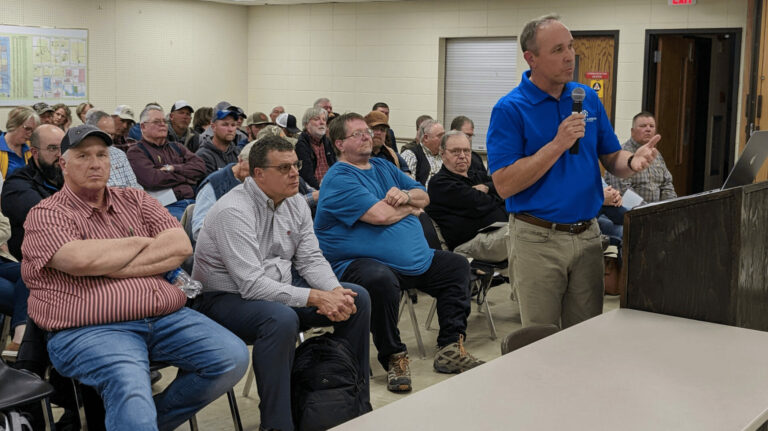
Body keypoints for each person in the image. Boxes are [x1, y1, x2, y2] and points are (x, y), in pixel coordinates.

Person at [21, 124, 248, 431]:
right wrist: (141, 243)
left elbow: (179, 246)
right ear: (64, 164)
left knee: (231, 358)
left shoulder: (135, 200)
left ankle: (141, 424)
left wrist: (106, 264)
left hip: (163, 318)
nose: (95, 163)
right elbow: (78, 259)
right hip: (92, 329)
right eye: (83, 155)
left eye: (102, 154)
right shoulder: (47, 213)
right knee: (131, 387)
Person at [486, 14, 659, 329]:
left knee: (585, 338)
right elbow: (505, 184)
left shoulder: (586, 97)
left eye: (571, 47)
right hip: (537, 240)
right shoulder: (510, 109)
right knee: (540, 340)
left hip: (587, 236)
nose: (569, 56)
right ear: (531, 58)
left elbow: (612, 156)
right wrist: (557, 144)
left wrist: (632, 162)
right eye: (557, 50)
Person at [192, 135, 371, 431]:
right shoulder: (233, 211)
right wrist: (315, 297)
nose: (295, 173)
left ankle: (352, 400)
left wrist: (334, 291)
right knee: (280, 319)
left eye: (296, 165)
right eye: (284, 167)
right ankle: (277, 424)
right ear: (258, 173)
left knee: (356, 298)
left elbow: (310, 258)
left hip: (273, 290)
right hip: (222, 299)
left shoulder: (295, 204)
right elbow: (251, 286)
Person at [315, 113, 484, 394]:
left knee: (456, 266)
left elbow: (424, 196)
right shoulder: (338, 178)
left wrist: (405, 198)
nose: (367, 136)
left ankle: (450, 348)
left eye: (367, 131)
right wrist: (409, 207)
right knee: (380, 279)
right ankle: (394, 356)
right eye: (357, 133)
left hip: (413, 261)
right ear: (340, 143)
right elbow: (380, 215)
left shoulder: (383, 166)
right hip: (355, 264)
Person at [426, 131, 508, 262]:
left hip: (495, 234)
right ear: (442, 154)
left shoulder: (476, 176)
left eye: (466, 151)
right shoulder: (440, 183)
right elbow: (478, 203)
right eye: (456, 151)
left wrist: (487, 188)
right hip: (467, 245)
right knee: (522, 231)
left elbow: (504, 186)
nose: (463, 156)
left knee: (528, 222)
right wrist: (499, 197)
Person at [127, 105, 206, 219]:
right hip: (165, 207)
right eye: (156, 121)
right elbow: (152, 179)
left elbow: (200, 167)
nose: (162, 124)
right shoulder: (136, 152)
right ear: (143, 126)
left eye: (164, 121)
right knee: (188, 229)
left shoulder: (177, 147)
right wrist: (187, 178)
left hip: (194, 202)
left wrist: (173, 168)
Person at [1, 124, 64, 261]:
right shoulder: (16, 185)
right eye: (52, 148)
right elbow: (49, 221)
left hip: (68, 253)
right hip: (37, 263)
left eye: (63, 148)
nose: (60, 155)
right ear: (35, 152)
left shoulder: (67, 177)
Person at [604, 111, 677, 203]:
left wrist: (668, 207)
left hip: (656, 211)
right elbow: (622, 190)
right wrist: (647, 210)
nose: (648, 129)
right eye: (643, 126)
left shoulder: (656, 155)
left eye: (651, 126)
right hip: (628, 211)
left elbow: (667, 184)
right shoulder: (620, 154)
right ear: (632, 131)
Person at [191, 142, 254, 240]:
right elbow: (199, 230)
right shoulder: (214, 185)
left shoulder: (262, 183)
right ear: (240, 160)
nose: (256, 174)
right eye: (252, 168)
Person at [85, 109, 143, 190]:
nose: (109, 138)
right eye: (106, 133)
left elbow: (134, 185)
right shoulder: (80, 157)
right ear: (90, 131)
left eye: (112, 134)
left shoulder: (119, 154)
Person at [295, 107, 335, 189]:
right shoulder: (301, 144)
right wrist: (322, 190)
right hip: (312, 190)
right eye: (317, 119)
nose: (322, 122)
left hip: (331, 187)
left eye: (324, 119)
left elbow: (334, 166)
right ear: (306, 124)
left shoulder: (327, 142)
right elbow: (306, 176)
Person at [196, 109, 241, 176]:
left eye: (233, 125)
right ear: (213, 127)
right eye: (225, 125)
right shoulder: (203, 156)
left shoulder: (238, 153)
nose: (230, 129)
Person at [400, 119, 445, 185]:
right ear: (426, 138)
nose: (444, 139)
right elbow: (408, 185)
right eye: (440, 136)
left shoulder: (445, 154)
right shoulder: (410, 155)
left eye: (444, 135)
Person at [0, 107, 37, 179]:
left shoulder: (31, 146)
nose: (30, 134)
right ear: (14, 125)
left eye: (33, 130)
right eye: (27, 129)